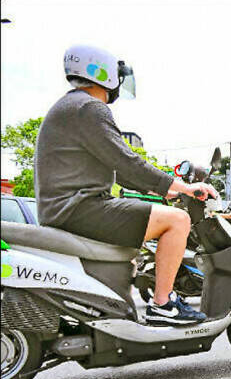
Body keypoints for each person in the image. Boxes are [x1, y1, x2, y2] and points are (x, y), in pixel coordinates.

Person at [34, 44, 216, 325]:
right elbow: (127, 161)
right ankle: (163, 304)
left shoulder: (71, 107)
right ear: (102, 73)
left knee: (154, 222)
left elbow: (122, 171)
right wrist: (183, 187)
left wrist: (164, 189)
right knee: (178, 221)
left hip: (66, 208)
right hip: (79, 209)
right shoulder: (89, 108)